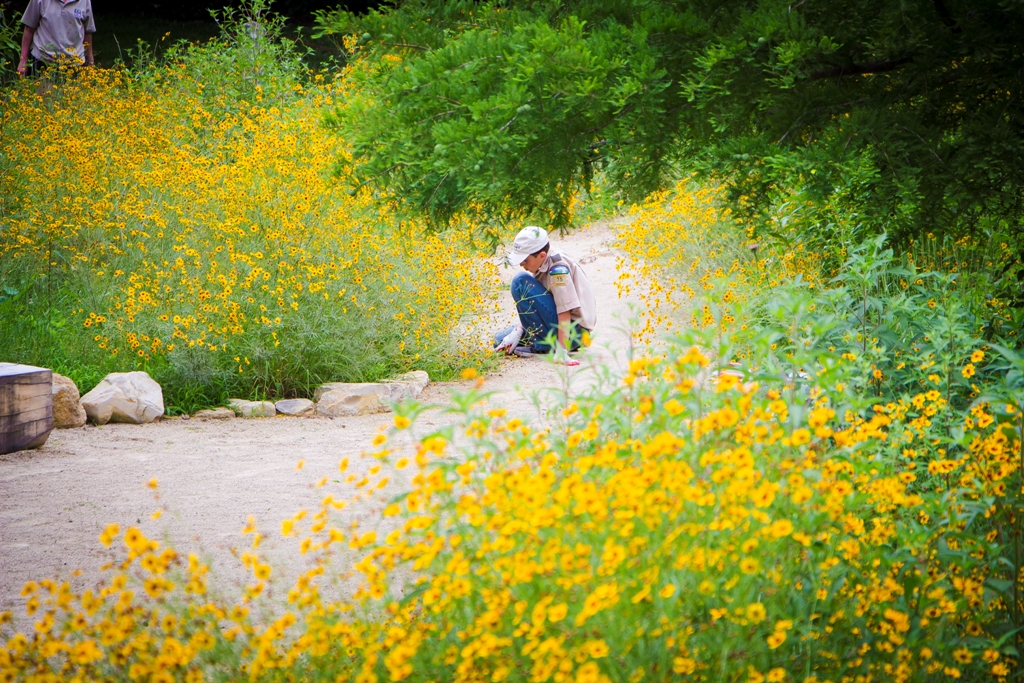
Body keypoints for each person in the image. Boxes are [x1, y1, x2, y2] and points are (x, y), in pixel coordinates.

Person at [494, 226, 597, 367]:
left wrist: (562, 350)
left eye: (525, 260)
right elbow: (539, 302)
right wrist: (518, 330)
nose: (521, 264)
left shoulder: (557, 268)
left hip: (574, 333)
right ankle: (539, 340)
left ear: (541, 255)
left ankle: (542, 346)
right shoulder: (541, 262)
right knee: (499, 339)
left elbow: (565, 310)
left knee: (520, 281)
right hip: (558, 325)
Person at [17, 0, 96, 77]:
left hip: (75, 63)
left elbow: (87, 32)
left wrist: (90, 61)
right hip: (43, 61)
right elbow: (29, 30)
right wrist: (23, 60)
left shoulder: (84, 1)